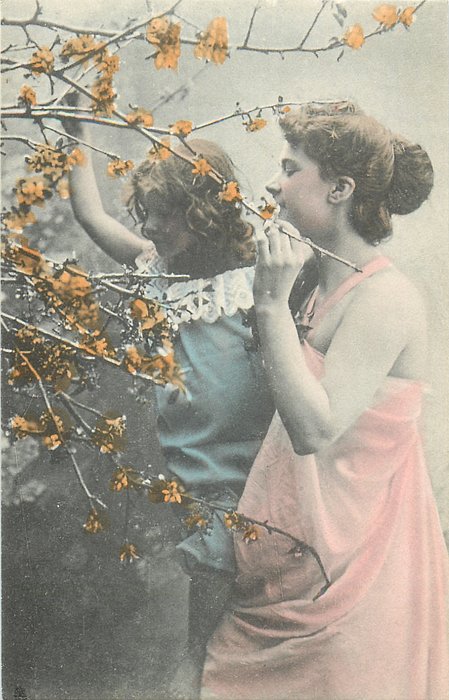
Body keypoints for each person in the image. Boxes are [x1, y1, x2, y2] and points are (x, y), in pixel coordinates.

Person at [201, 101, 449, 700]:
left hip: (358, 582)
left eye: (290, 169)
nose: (273, 183)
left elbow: (316, 429)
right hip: (296, 568)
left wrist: (269, 305)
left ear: (340, 189)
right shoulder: (313, 277)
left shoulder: (385, 298)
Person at [61, 109, 298, 692]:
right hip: (187, 457)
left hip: (237, 458)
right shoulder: (159, 271)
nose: (153, 226)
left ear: (205, 211)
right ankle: (207, 664)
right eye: (147, 213)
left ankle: (194, 662)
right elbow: (91, 215)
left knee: (220, 557)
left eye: (166, 212)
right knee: (215, 564)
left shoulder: (253, 281)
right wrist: (74, 136)